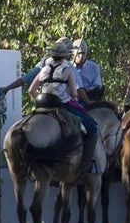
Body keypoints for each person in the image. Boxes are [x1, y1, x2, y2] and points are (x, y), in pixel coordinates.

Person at [26, 39, 100, 172]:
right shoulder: (67, 70)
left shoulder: (43, 70)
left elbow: (31, 90)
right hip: (62, 106)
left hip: (42, 106)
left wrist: (40, 99)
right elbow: (73, 94)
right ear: (65, 56)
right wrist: (75, 98)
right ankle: (86, 165)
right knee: (92, 128)